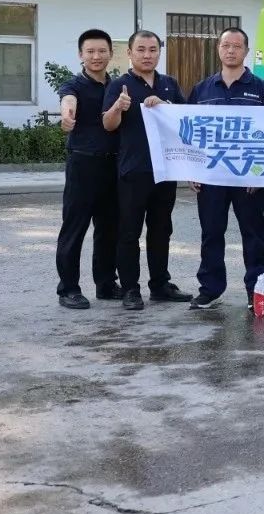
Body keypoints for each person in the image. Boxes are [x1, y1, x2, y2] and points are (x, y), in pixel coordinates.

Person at [185, 27, 264, 310]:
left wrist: (260, 173)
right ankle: (210, 289)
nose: (231, 50)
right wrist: (192, 169)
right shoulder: (202, 89)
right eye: (226, 45)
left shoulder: (262, 90)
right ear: (218, 49)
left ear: (246, 51)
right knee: (211, 233)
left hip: (248, 176)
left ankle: (257, 288)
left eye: (237, 46)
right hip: (211, 175)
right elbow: (190, 132)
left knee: (253, 233)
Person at [101, 30, 192, 310]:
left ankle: (160, 285)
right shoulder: (120, 85)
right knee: (129, 232)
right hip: (134, 171)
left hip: (165, 170)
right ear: (130, 53)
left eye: (153, 50)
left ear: (159, 53)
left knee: (161, 230)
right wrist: (118, 107)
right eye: (141, 49)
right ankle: (130, 289)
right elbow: (108, 124)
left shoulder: (169, 84)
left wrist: (166, 105)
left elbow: (184, 121)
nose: (147, 55)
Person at [54, 29, 120, 308]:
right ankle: (68, 289)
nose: (96, 56)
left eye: (102, 51)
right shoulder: (74, 85)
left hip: (113, 166)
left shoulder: (118, 86)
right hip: (83, 164)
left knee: (109, 229)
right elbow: (68, 101)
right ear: (81, 55)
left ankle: (106, 284)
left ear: (110, 54)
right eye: (90, 51)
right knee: (75, 227)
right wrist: (67, 115)